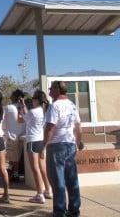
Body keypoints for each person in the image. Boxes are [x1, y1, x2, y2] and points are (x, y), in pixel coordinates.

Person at [43, 81, 83, 217]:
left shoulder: (54, 106)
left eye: (51, 88)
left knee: (57, 180)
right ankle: (74, 210)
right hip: (70, 144)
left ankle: (59, 212)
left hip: (56, 145)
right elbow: (78, 125)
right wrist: (78, 142)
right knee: (72, 179)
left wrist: (44, 145)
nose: (49, 91)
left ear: (57, 89)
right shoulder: (72, 105)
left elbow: (50, 128)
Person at [18, 90, 52, 203]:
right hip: (41, 140)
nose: (32, 100)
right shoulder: (44, 111)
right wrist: (23, 106)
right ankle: (48, 190)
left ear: (37, 100)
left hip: (32, 141)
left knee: (35, 169)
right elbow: (28, 117)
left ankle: (39, 194)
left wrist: (20, 110)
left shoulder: (33, 112)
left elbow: (22, 119)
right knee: (42, 168)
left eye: (33, 98)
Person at [4, 89, 26, 183]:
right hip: (21, 136)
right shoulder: (24, 108)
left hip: (11, 136)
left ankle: (13, 175)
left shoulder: (9, 108)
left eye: (12, 94)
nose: (10, 96)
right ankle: (14, 174)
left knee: (12, 159)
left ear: (15, 97)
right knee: (16, 158)